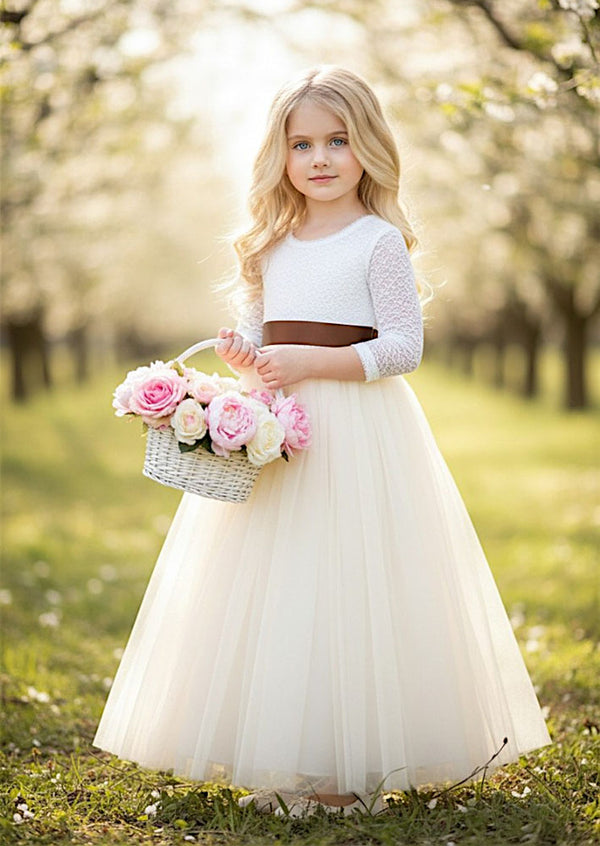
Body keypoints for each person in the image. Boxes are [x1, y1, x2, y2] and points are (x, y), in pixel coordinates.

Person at [93, 65, 551, 817]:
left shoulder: (378, 243)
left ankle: (345, 768)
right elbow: (257, 330)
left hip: (358, 432)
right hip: (279, 430)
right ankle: (285, 757)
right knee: (277, 585)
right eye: (301, 144)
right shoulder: (269, 244)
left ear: (367, 145)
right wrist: (241, 358)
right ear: (280, 157)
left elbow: (404, 346)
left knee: (346, 582)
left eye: (338, 140)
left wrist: (316, 362)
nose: (320, 158)